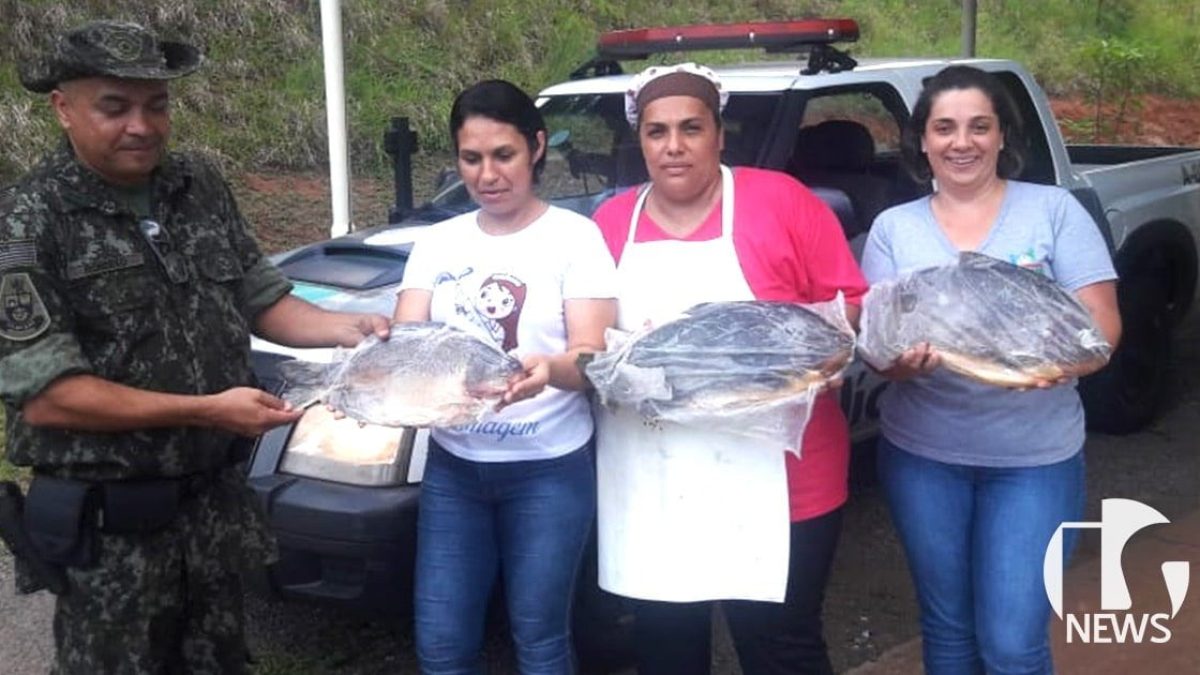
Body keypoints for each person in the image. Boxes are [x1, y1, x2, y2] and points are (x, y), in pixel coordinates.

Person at [0, 21, 391, 674]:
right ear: (63, 108)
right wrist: (208, 409)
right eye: (115, 106)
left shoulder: (196, 187)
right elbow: (49, 398)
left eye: (157, 104)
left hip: (210, 516)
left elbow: (266, 301)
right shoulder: (28, 222)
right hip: (111, 537)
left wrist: (358, 329)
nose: (142, 125)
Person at [590, 63, 868, 675]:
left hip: (782, 482)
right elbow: (586, 340)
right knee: (666, 651)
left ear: (720, 134)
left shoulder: (781, 202)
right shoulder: (611, 224)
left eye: (691, 128)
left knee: (782, 652)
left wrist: (800, 353)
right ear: (640, 141)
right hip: (654, 480)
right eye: (658, 132)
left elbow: (849, 308)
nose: (674, 147)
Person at [860, 64, 1122, 674]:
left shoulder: (1053, 212)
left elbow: (1103, 321)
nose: (962, 142)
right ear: (921, 140)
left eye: (980, 126)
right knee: (947, 635)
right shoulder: (895, 229)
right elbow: (878, 344)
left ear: (1003, 135)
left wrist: (1074, 358)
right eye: (945, 127)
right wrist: (898, 365)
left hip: (1034, 461)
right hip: (923, 458)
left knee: (1012, 643)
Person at [394, 79, 617, 675]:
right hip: (454, 472)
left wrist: (549, 371)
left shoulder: (577, 238)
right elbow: (408, 348)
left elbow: (594, 360)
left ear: (537, 147)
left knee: (539, 640)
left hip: (549, 471)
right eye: (472, 158)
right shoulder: (436, 243)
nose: (488, 174)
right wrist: (372, 387)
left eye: (504, 155)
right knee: (441, 644)